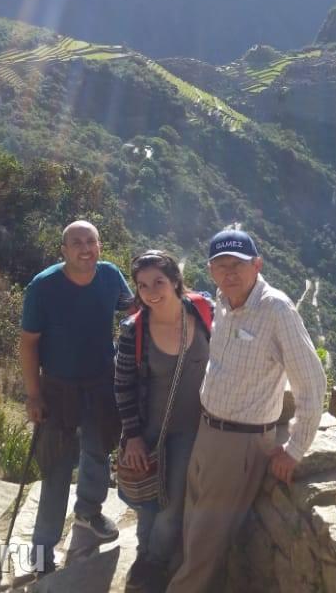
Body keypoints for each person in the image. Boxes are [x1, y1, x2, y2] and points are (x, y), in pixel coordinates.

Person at [165, 229, 326, 593]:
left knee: (204, 544)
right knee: (192, 526)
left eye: (237, 265)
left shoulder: (276, 309)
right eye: (221, 266)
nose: (229, 274)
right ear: (211, 271)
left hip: (241, 444)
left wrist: (297, 448)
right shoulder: (222, 300)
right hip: (208, 432)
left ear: (257, 264)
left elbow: (312, 382)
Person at [20, 220, 135, 576]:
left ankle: (88, 514)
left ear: (100, 246)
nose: (85, 248)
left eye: (91, 241)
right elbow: (28, 343)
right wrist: (34, 394)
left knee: (98, 454)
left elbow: (135, 310)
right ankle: (42, 552)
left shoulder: (110, 275)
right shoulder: (43, 286)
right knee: (56, 468)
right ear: (64, 250)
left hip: (101, 383)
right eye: (76, 243)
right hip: (57, 388)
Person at [115, 251, 213, 592]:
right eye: (143, 285)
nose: (151, 291)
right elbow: (123, 385)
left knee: (172, 504)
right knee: (147, 503)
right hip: (150, 430)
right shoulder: (134, 331)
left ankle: (153, 565)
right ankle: (147, 557)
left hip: (191, 430)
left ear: (175, 280)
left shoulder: (203, 312)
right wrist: (133, 437)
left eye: (158, 281)